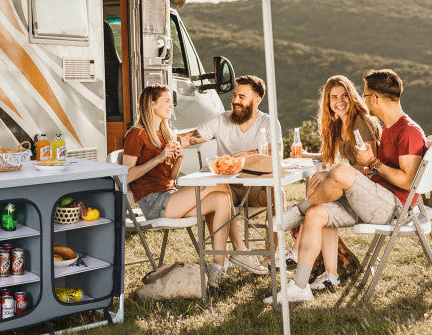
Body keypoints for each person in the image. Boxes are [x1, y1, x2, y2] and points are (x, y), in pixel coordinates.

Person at [265, 69, 428, 304]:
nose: (361, 100)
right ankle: (302, 285)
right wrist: (370, 166)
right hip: (375, 198)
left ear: (374, 99)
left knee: (340, 171)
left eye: (364, 95)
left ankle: (296, 211)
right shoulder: (391, 127)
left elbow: (407, 182)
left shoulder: (409, 131)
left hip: (394, 209)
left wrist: (372, 162)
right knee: (317, 213)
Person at [123, 84, 265, 288]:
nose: (171, 106)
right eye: (166, 101)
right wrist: (159, 158)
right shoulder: (136, 134)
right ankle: (240, 251)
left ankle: (217, 266)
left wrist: (178, 159)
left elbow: (171, 176)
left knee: (222, 198)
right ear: (152, 104)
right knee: (219, 183)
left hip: (170, 195)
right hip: (155, 203)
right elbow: (125, 175)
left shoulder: (164, 134)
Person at [179, 74, 282, 267]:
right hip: (228, 188)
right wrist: (159, 139)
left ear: (257, 100)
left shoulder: (268, 123)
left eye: (242, 97)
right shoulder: (220, 120)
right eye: (235, 95)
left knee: (278, 193)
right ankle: (223, 257)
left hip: (255, 187)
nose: (235, 100)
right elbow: (191, 138)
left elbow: (276, 153)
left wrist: (249, 155)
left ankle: (271, 256)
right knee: (216, 188)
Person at [286, 75, 381, 277]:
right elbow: (328, 156)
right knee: (320, 206)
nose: (340, 102)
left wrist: (330, 174)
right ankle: (331, 275)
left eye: (344, 95)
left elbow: (370, 167)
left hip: (370, 193)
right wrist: (305, 154)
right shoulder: (340, 125)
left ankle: (296, 248)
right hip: (355, 187)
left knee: (320, 187)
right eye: (334, 97)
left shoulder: (361, 124)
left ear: (352, 97)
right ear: (328, 102)